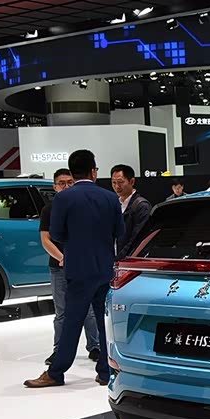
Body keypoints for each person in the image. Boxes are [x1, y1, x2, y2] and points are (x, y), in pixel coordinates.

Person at [24, 150, 125, 389]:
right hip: (104, 267)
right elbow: (120, 232)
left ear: (72, 172)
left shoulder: (64, 199)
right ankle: (105, 371)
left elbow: (57, 234)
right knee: (105, 322)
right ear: (93, 171)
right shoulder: (110, 198)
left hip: (78, 268)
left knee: (72, 321)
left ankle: (56, 372)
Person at [39, 168, 101, 366]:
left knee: (89, 309)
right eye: (62, 183)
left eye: (69, 182)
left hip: (83, 265)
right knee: (62, 312)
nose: (66, 186)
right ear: (54, 187)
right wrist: (63, 258)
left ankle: (95, 346)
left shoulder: (83, 207)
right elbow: (45, 239)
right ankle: (58, 350)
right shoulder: (49, 210)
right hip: (58, 266)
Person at [111, 164, 151, 260]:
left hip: (129, 260)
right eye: (114, 182)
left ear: (132, 181)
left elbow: (137, 239)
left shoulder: (142, 206)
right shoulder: (115, 203)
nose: (117, 186)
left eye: (120, 182)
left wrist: (120, 258)